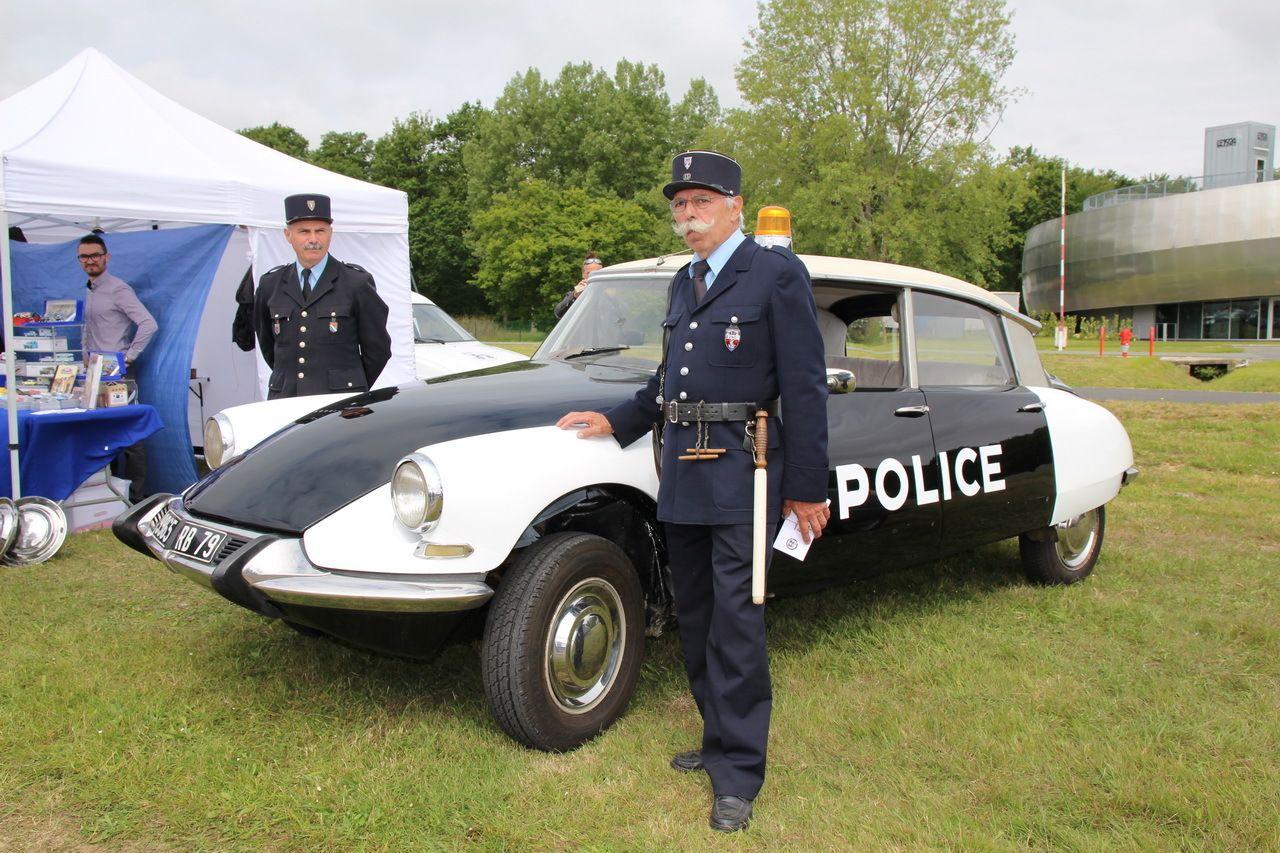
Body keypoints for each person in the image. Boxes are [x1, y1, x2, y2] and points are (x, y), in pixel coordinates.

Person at [557, 151, 830, 832]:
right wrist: (618, 419)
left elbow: (805, 386)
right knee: (700, 615)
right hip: (683, 468)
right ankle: (716, 738)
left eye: (701, 202)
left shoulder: (775, 273)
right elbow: (669, 379)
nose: (688, 215)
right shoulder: (685, 281)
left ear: (735, 206)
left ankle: (738, 771)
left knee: (738, 621)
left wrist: (806, 489)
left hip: (744, 468)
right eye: (679, 205)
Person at [253, 194, 391, 399]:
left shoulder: (356, 283)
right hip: (286, 401)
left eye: (320, 231)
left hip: (339, 403)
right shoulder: (270, 285)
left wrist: (351, 385)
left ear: (330, 234)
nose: (313, 240)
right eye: (304, 231)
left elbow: (378, 349)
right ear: (288, 235)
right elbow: (268, 346)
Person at [79, 233, 159, 503]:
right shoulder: (90, 289)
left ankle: (136, 498)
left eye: (95, 255)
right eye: (84, 256)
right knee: (102, 434)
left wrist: (128, 357)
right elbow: (88, 328)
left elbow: (148, 324)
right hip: (94, 374)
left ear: (106, 257)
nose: (90, 261)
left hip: (117, 376)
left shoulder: (118, 289)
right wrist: (85, 356)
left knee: (130, 436)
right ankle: (109, 495)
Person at [553, 253, 604, 319]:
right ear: (583, 274)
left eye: (597, 273)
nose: (593, 276)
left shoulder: (609, 292)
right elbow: (559, 313)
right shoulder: (577, 293)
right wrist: (575, 296)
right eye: (589, 273)